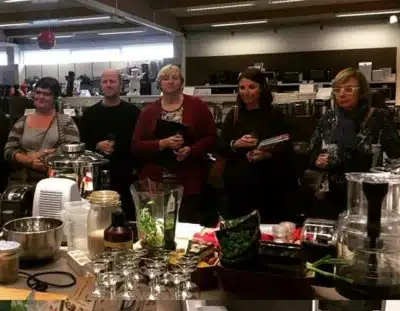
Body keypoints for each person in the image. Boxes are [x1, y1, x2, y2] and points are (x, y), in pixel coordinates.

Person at [309, 67, 400, 219]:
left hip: (369, 195)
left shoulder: (378, 117)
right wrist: (318, 160)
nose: (342, 94)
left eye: (349, 89)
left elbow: (396, 156)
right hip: (332, 196)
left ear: (361, 91)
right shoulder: (328, 118)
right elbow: (313, 153)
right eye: (337, 90)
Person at [131, 64, 217, 225]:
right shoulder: (149, 111)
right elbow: (136, 146)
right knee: (157, 226)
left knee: (187, 226)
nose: (170, 81)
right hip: (155, 183)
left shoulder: (197, 106)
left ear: (182, 82)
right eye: (165, 78)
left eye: (175, 78)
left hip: (188, 181)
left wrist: (191, 150)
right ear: (159, 83)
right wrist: (161, 143)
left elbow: (212, 137)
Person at [219, 68, 299, 223]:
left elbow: (287, 146)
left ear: (262, 88)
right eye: (242, 88)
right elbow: (221, 146)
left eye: (251, 87)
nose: (246, 92)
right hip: (238, 189)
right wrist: (235, 144)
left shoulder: (275, 115)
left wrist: (267, 154)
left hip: (269, 186)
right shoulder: (234, 115)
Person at [79, 69, 141, 220]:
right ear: (101, 85)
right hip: (97, 176)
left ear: (121, 84)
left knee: (126, 217)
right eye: (105, 82)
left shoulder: (133, 112)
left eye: (112, 81)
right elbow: (81, 142)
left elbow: (139, 142)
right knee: (98, 218)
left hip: (126, 175)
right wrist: (97, 145)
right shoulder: (90, 114)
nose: (108, 85)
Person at [4, 77, 80, 184]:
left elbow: (73, 150)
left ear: (55, 98)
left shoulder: (66, 122)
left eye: (46, 94)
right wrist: (29, 160)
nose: (40, 97)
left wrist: (44, 155)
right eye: (38, 92)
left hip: (55, 182)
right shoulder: (22, 121)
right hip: (22, 182)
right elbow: (8, 150)